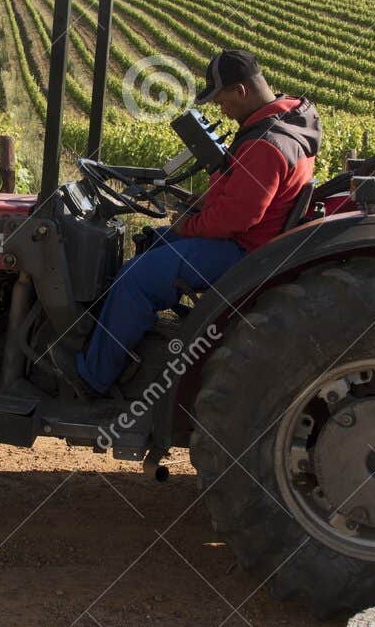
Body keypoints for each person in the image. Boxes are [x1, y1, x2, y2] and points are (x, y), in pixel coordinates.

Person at [68, 49, 320, 397]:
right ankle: (122, 344)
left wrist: (186, 225)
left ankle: (90, 380)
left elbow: (237, 219)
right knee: (150, 242)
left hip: (243, 252)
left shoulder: (266, 144)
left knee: (135, 279)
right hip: (253, 242)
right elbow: (248, 193)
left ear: (241, 91)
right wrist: (202, 203)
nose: (221, 109)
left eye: (222, 100)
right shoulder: (285, 119)